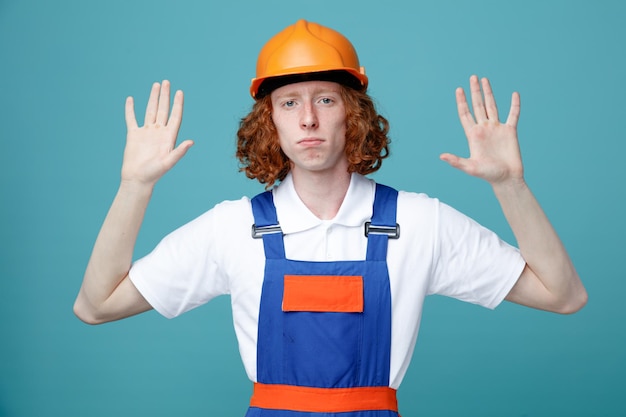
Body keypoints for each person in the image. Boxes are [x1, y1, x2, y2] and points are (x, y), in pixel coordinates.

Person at [74, 19, 587, 416]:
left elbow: (563, 295)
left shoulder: (419, 221)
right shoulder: (232, 228)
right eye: (289, 102)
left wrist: (509, 185)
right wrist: (134, 186)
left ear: (354, 114)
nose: (308, 119)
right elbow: (96, 305)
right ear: (270, 122)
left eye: (325, 98)